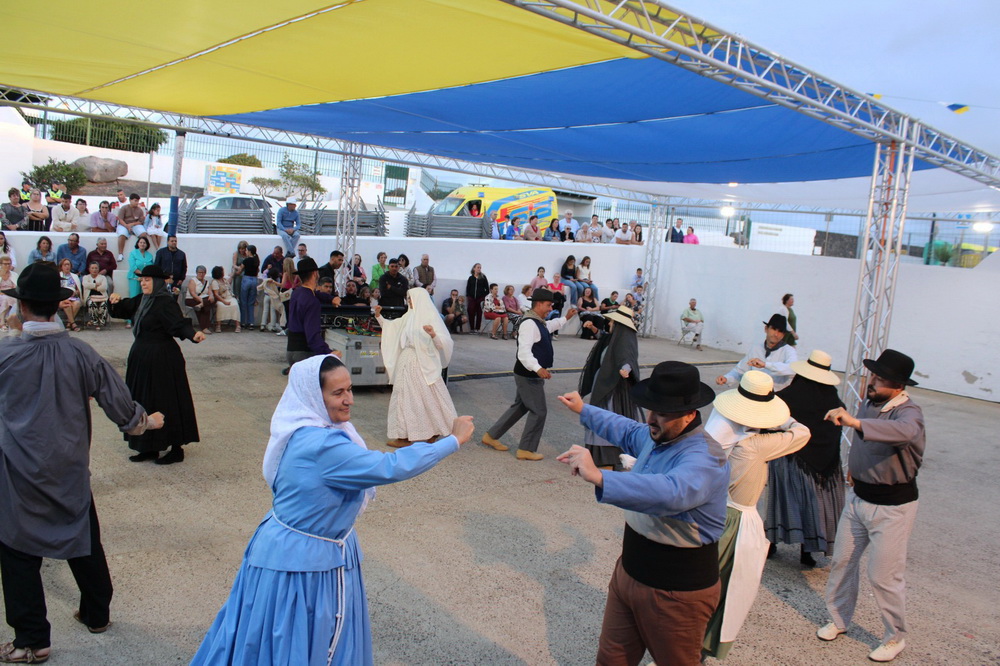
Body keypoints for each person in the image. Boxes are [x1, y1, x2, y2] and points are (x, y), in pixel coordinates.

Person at [191, 355, 473, 665]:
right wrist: (452, 440)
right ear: (314, 396)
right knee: (298, 640)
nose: (349, 399)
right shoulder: (322, 445)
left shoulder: (300, 429)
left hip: (293, 548)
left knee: (276, 638)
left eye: (349, 389)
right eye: (337, 393)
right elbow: (389, 465)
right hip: (301, 561)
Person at [0, 263, 164, 665]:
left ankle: (32, 641)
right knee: (83, 539)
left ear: (21, 307)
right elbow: (120, 405)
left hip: (18, 470)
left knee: (17, 552)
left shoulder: (5, 354)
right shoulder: (80, 353)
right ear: (59, 305)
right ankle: (96, 614)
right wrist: (145, 422)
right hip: (69, 467)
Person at [554, 361, 729, 665]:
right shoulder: (656, 433)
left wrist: (600, 476)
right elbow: (626, 429)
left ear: (690, 414)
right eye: (651, 408)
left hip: (676, 591)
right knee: (611, 660)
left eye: (662, 412)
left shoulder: (705, 456)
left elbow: (671, 492)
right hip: (630, 572)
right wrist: (584, 409)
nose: (652, 419)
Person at [817, 349, 925, 663]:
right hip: (858, 499)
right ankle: (838, 618)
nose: (872, 382)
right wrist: (855, 467)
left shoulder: (910, 413)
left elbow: (905, 433)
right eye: (873, 375)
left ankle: (895, 637)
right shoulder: (870, 402)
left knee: (884, 576)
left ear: (899, 386)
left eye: (881, 379)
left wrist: (853, 422)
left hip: (892, 508)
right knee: (842, 562)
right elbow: (865, 442)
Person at [700, 371, 809, 660]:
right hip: (735, 520)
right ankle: (689, 649)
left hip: (710, 508)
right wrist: (785, 420)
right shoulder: (753, 445)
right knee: (721, 589)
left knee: (701, 585)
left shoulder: (719, 431)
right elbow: (803, 434)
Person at [109, 265, 205, 465]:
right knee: (143, 399)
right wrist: (114, 301)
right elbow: (122, 309)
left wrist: (193, 335)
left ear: (158, 282)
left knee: (167, 400)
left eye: (147, 280)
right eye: (142, 280)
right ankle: (148, 446)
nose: (143, 283)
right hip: (142, 358)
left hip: (163, 359)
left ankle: (176, 447)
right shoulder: (142, 300)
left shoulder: (164, 302)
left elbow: (178, 323)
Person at [766, 350, 846, 567]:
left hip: (791, 459)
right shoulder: (834, 400)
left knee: (785, 502)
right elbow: (835, 431)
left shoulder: (789, 397)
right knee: (815, 504)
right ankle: (807, 549)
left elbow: (771, 419)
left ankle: (772, 543)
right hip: (824, 462)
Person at [481, 288, 576, 460]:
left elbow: (549, 327)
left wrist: (565, 318)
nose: (550, 308)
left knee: (521, 406)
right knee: (539, 411)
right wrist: (538, 369)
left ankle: (491, 436)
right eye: (548, 305)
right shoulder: (529, 324)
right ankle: (526, 449)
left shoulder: (538, 321)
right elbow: (523, 353)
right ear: (538, 304)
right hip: (529, 376)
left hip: (529, 374)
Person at [376, 287, 458, 447]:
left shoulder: (431, 318)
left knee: (426, 399)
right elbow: (391, 327)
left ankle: (433, 431)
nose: (409, 302)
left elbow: (444, 343)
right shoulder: (408, 317)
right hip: (407, 360)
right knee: (403, 397)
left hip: (422, 364)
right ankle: (404, 434)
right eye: (408, 299)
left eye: (411, 298)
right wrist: (379, 316)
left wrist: (433, 334)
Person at [577, 305, 640, 469]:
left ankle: (610, 455)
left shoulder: (627, 339)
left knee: (607, 418)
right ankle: (600, 455)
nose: (609, 324)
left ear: (619, 323)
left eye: (612, 321)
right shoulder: (613, 337)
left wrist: (626, 369)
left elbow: (629, 357)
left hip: (614, 388)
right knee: (602, 417)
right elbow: (603, 339)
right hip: (605, 382)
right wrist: (592, 328)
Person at [716, 314, 797, 391]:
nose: (776, 334)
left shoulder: (789, 351)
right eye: (773, 329)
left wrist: (765, 365)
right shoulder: (756, 348)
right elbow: (740, 370)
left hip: (776, 397)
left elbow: (793, 369)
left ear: (783, 335)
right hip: (754, 395)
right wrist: (727, 378)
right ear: (766, 329)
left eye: (780, 331)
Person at [284, 257, 332, 375]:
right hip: (304, 353)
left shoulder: (297, 293)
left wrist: (331, 298)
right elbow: (312, 336)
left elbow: (314, 293)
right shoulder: (312, 301)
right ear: (315, 273)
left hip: (291, 351)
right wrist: (328, 353)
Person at [115, 193, 148, 261]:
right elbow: (120, 219)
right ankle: (120, 254)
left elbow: (141, 221)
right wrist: (127, 226)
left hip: (135, 225)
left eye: (138, 201)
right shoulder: (124, 208)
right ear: (130, 200)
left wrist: (132, 224)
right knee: (122, 234)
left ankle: (140, 252)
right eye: (135, 200)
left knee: (143, 234)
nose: (137, 202)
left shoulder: (140, 210)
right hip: (123, 224)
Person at [210, 266, 241, 333]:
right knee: (220, 306)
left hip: (230, 297)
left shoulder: (224, 280)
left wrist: (233, 274)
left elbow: (229, 282)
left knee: (235, 305)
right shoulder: (215, 282)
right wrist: (224, 302)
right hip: (221, 299)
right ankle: (218, 325)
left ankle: (238, 325)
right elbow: (216, 294)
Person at [184, 265, 213, 335]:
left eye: (203, 272)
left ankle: (200, 306)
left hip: (202, 300)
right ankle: (205, 327)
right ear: (196, 273)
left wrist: (211, 296)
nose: (201, 274)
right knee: (206, 305)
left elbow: (210, 292)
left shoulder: (207, 281)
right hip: (192, 299)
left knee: (211, 300)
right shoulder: (193, 281)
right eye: (199, 272)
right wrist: (202, 301)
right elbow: (193, 293)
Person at [82, 261, 110, 331]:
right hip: (90, 297)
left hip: (102, 297)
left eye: (96, 268)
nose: (94, 270)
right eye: (92, 268)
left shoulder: (103, 277)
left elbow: (104, 287)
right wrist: (96, 285)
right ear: (89, 269)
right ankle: (95, 322)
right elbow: (85, 284)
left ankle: (101, 321)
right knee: (92, 304)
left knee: (104, 304)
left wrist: (93, 287)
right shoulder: (86, 277)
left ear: (98, 269)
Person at [57, 259, 83, 331]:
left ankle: (69, 323)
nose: (67, 266)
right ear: (61, 266)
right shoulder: (58, 275)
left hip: (73, 297)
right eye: (65, 265)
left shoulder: (75, 276)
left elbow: (78, 290)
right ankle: (73, 324)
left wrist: (76, 292)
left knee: (77, 303)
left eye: (68, 264)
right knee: (67, 304)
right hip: (63, 297)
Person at [257, 267, 285, 332]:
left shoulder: (266, 279)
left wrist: (267, 269)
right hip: (273, 296)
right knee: (273, 311)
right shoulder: (277, 280)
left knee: (265, 310)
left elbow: (264, 273)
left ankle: (262, 325)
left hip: (266, 295)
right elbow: (278, 286)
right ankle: (273, 326)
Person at [239, 244, 260, 331]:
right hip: (254, 280)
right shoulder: (256, 261)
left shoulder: (246, 260)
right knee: (251, 302)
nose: (245, 252)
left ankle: (243, 322)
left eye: (247, 250)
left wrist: (234, 267)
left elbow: (240, 270)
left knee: (243, 301)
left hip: (246, 279)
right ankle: (251, 322)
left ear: (249, 251)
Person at [465, 262, 489, 333]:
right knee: (471, 312)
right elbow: (468, 288)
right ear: (474, 268)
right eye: (478, 267)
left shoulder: (483, 277)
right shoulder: (471, 278)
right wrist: (469, 296)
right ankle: (472, 328)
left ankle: (477, 328)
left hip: (480, 298)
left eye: (480, 267)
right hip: (472, 298)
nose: (479, 269)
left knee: (479, 313)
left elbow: (487, 288)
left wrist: (483, 296)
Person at [0, 257, 17, 329]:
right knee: (5, 299)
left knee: (15, 299)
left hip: (11, 293)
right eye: (5, 264)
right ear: (1, 264)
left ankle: (4, 320)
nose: (7, 266)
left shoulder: (14, 274)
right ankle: (3, 321)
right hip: (1, 293)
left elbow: (17, 287)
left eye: (9, 264)